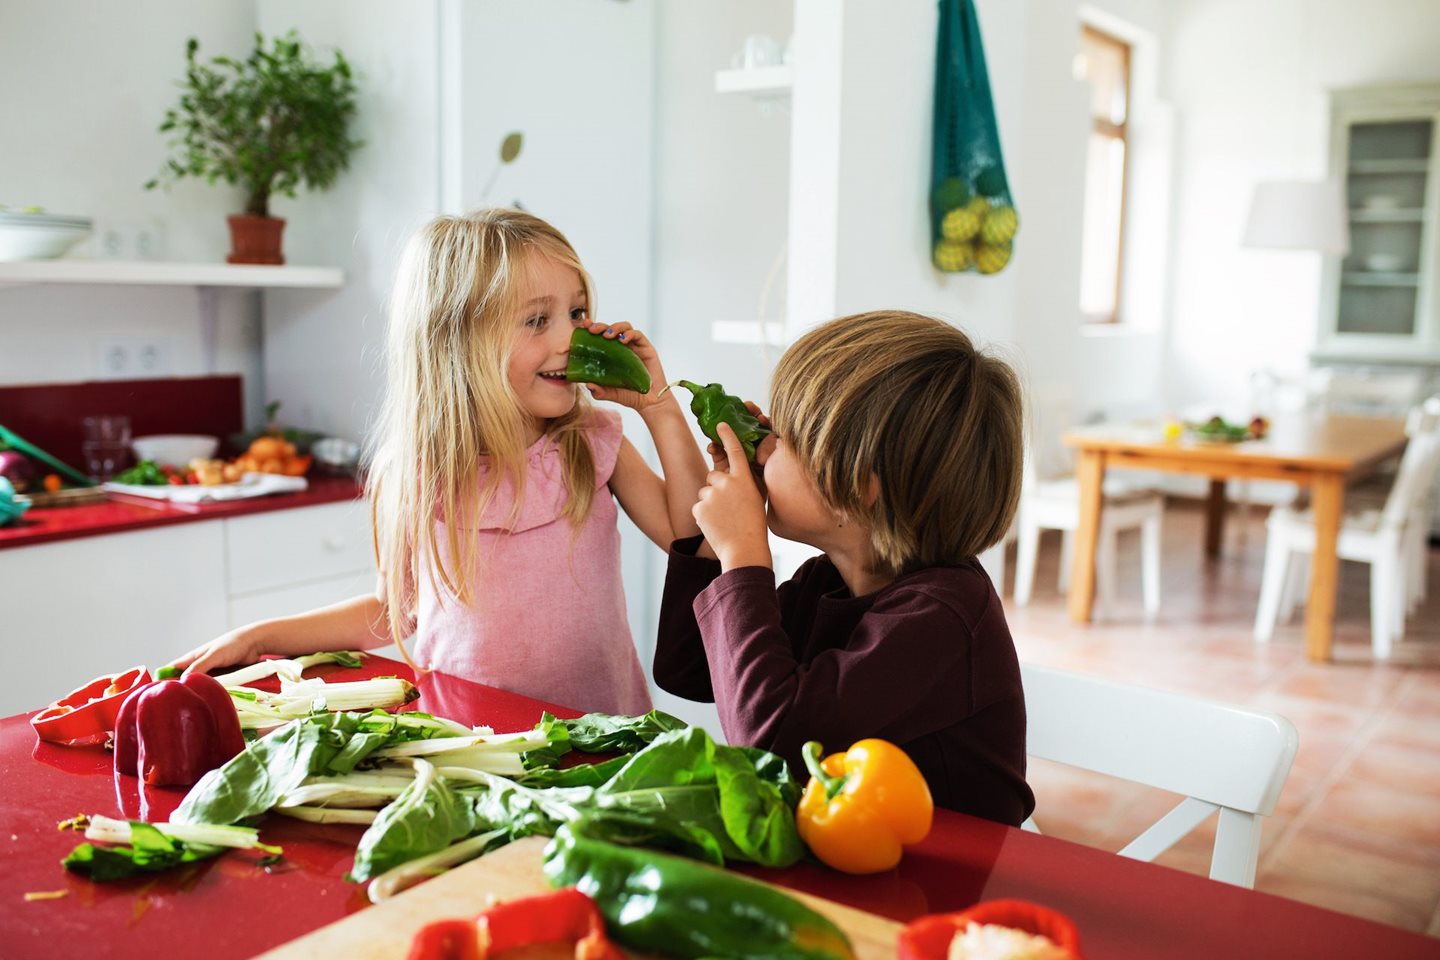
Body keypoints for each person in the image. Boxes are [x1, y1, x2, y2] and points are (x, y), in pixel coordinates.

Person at [173, 208, 707, 715]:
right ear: (457, 343)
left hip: (600, 735)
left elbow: (691, 537)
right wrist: (258, 637)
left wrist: (659, 407)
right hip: (473, 742)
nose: (570, 338)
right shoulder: (412, 473)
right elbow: (392, 612)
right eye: (537, 320)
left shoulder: (591, 441)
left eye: (576, 312)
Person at [654, 310, 1035, 824]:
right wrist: (718, 549)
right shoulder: (830, 581)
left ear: (859, 485)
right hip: (854, 859)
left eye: (783, 438)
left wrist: (745, 555)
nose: (762, 448)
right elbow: (690, 669)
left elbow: (773, 746)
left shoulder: (945, 616)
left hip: (946, 884)